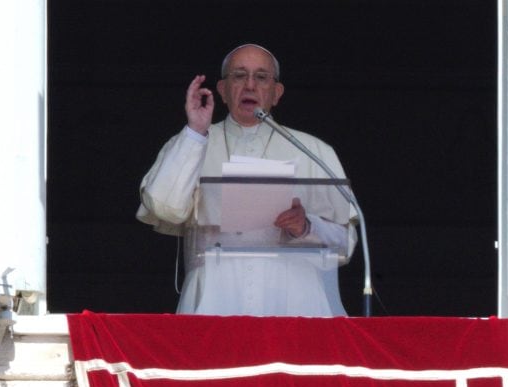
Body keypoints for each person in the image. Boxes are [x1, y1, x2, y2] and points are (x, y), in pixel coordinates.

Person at [137, 43, 358, 316]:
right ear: (222, 90)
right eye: (239, 76)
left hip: (295, 300)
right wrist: (195, 131)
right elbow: (163, 208)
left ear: (276, 93)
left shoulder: (314, 151)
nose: (250, 85)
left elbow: (346, 243)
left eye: (262, 77)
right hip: (216, 297)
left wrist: (306, 226)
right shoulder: (191, 143)